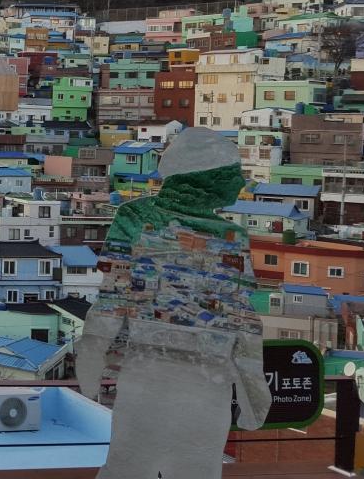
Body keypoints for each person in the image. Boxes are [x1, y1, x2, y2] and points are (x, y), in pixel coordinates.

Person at [76, 127, 270, 479]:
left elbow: (111, 301)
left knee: (128, 468)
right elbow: (242, 323)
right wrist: (254, 394)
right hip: (205, 384)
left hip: (146, 377)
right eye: (232, 174)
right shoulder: (231, 237)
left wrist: (91, 358)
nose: (239, 183)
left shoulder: (134, 218)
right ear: (206, 178)